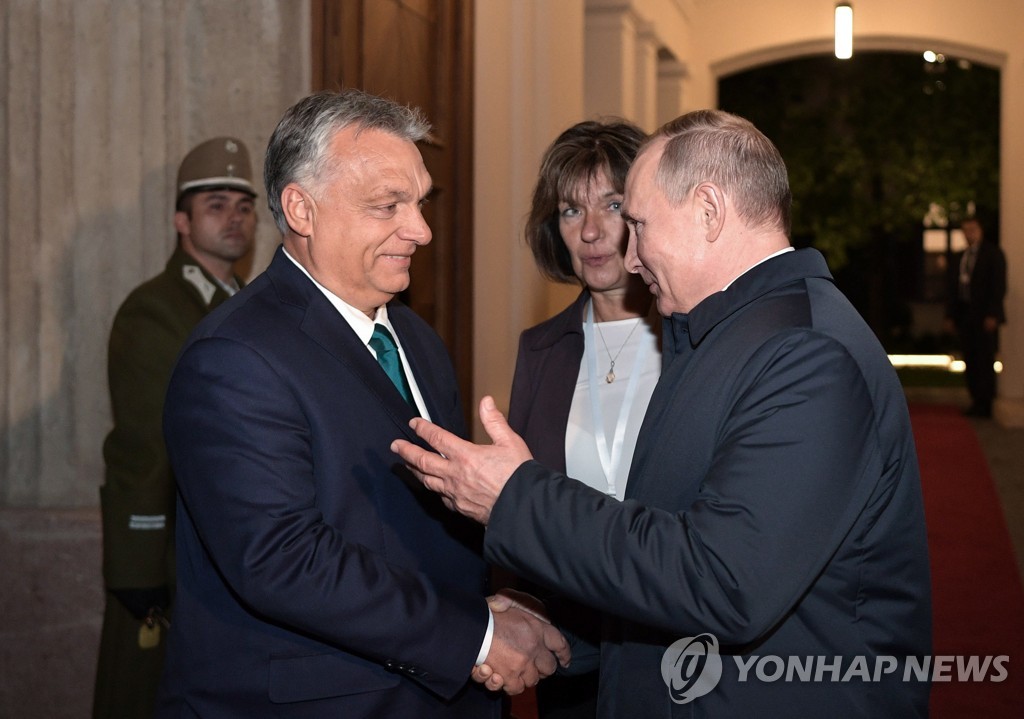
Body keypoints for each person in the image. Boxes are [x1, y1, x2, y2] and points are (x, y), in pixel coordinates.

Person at [394, 109, 932, 717]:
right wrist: (558, 639)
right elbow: (668, 564)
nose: (628, 257)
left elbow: (725, 582)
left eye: (639, 223)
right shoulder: (721, 336)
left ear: (708, 211)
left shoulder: (806, 353)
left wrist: (515, 497)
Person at [155, 89, 568, 718]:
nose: (422, 230)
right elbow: (282, 560)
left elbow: (430, 523)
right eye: (388, 206)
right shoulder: (233, 355)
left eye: (420, 202)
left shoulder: (415, 339)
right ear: (302, 208)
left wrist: (496, 600)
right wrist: (475, 635)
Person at [94, 137, 258, 719]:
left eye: (243, 206)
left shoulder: (245, 302)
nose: (234, 218)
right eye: (216, 205)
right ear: (181, 221)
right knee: (150, 696)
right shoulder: (155, 309)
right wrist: (137, 568)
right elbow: (144, 447)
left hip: (231, 547)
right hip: (170, 554)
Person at [510, 120, 658, 719]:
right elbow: (522, 501)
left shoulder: (696, 344)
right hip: (570, 651)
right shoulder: (540, 349)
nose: (592, 232)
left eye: (614, 205)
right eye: (572, 210)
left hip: (672, 644)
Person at [945, 215, 1006, 418]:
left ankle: (985, 400)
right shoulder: (960, 257)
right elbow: (953, 288)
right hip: (965, 314)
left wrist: (992, 314)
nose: (969, 234)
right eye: (965, 230)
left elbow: (998, 286)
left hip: (983, 315)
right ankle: (975, 399)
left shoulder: (992, 254)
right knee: (969, 357)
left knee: (984, 358)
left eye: (972, 229)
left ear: (980, 230)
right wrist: (951, 315)